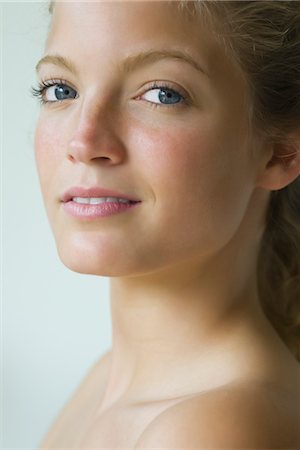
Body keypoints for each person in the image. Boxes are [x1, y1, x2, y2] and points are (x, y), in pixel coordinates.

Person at [32, 1, 300, 448]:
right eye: (61, 90)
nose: (83, 141)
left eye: (161, 94)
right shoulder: (104, 382)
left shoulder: (210, 428)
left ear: (280, 152)